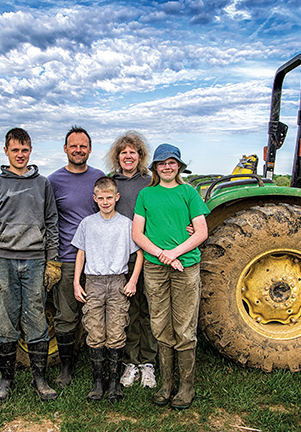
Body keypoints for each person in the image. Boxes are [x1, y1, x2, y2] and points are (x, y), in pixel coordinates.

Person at [0, 127, 61, 403]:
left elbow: (51, 224)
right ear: (6, 152)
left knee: (36, 316)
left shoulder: (42, 184)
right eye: (15, 150)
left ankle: (40, 379)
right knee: (6, 317)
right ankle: (5, 381)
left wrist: (53, 261)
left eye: (25, 150)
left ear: (31, 150)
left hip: (35, 260)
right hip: (3, 260)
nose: (20, 155)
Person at [132, 143, 209, 409]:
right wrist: (161, 255)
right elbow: (137, 234)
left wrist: (173, 253)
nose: (166, 166)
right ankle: (166, 385)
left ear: (179, 166)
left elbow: (200, 232)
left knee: (185, 326)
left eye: (171, 162)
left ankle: (186, 388)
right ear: (154, 167)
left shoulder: (189, 193)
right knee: (160, 325)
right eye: (161, 163)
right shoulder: (146, 195)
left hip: (186, 266)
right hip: (155, 268)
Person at [72, 176, 144, 401]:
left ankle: (114, 382)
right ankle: (97, 381)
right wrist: (77, 282)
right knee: (94, 330)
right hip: (93, 281)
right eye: (101, 198)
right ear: (95, 199)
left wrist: (132, 280)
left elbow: (139, 253)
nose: (105, 202)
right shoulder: (87, 223)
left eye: (109, 198)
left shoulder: (125, 224)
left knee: (116, 329)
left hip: (117, 281)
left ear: (117, 198)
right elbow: (80, 253)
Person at [48, 126, 105, 388]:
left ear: (90, 149)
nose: (78, 150)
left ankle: (103, 366)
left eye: (83, 146)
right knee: (66, 314)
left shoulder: (99, 177)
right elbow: (47, 220)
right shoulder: (53, 181)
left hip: (99, 259)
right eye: (74, 146)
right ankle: (66, 368)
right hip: (68, 257)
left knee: (100, 313)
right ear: (65, 149)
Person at [105, 131, 158, 389]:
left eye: (133, 152)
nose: (128, 156)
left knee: (148, 310)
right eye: (123, 152)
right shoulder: (110, 184)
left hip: (148, 255)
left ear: (140, 156)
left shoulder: (150, 183)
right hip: (120, 258)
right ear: (118, 156)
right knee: (127, 311)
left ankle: (148, 362)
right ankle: (129, 362)